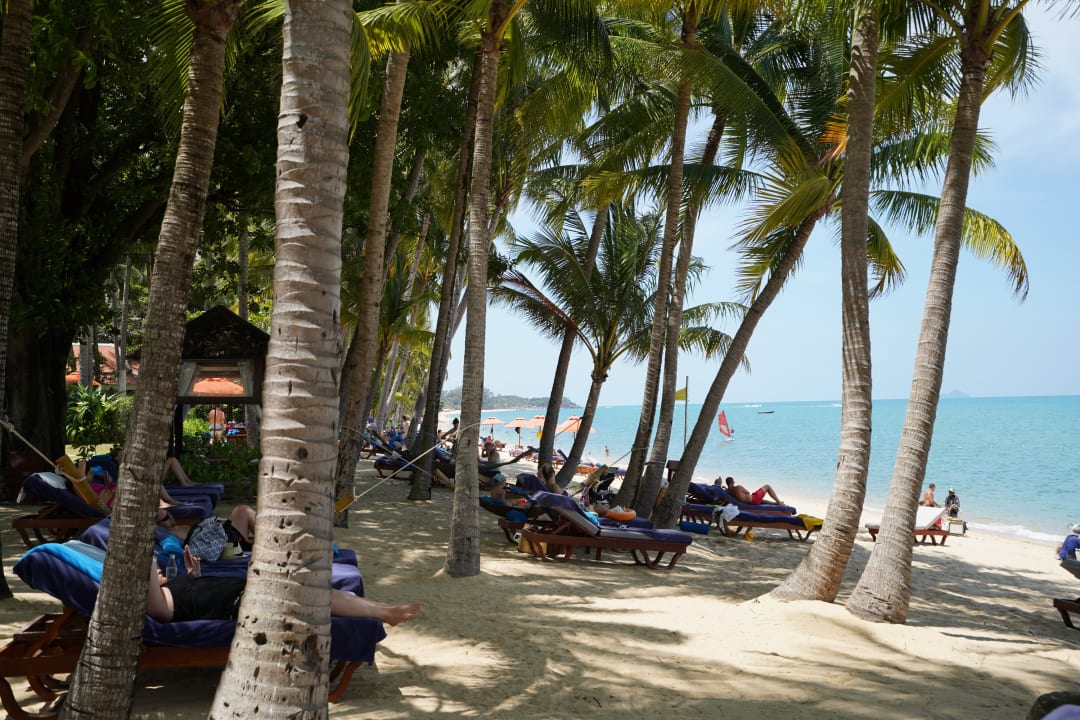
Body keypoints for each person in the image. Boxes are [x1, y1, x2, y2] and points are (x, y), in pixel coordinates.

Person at [145, 549, 421, 625]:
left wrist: (195, 574)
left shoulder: (174, 585)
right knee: (312, 594)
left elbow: (199, 592)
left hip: (248, 592)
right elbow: (158, 609)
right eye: (154, 572)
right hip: (241, 605)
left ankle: (382, 609)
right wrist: (145, 562)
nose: (159, 571)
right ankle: (385, 613)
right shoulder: (164, 600)